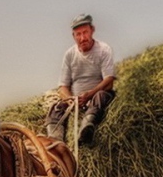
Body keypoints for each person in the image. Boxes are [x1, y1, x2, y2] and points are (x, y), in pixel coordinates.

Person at [47, 14, 116, 147]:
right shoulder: (69, 55)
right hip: (76, 101)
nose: (82, 38)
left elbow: (109, 80)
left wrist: (89, 94)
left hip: (96, 95)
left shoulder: (104, 50)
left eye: (85, 33)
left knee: (101, 96)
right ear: (73, 36)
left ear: (92, 30)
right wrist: (70, 99)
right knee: (55, 107)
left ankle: (86, 128)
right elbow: (63, 86)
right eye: (78, 34)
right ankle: (55, 141)